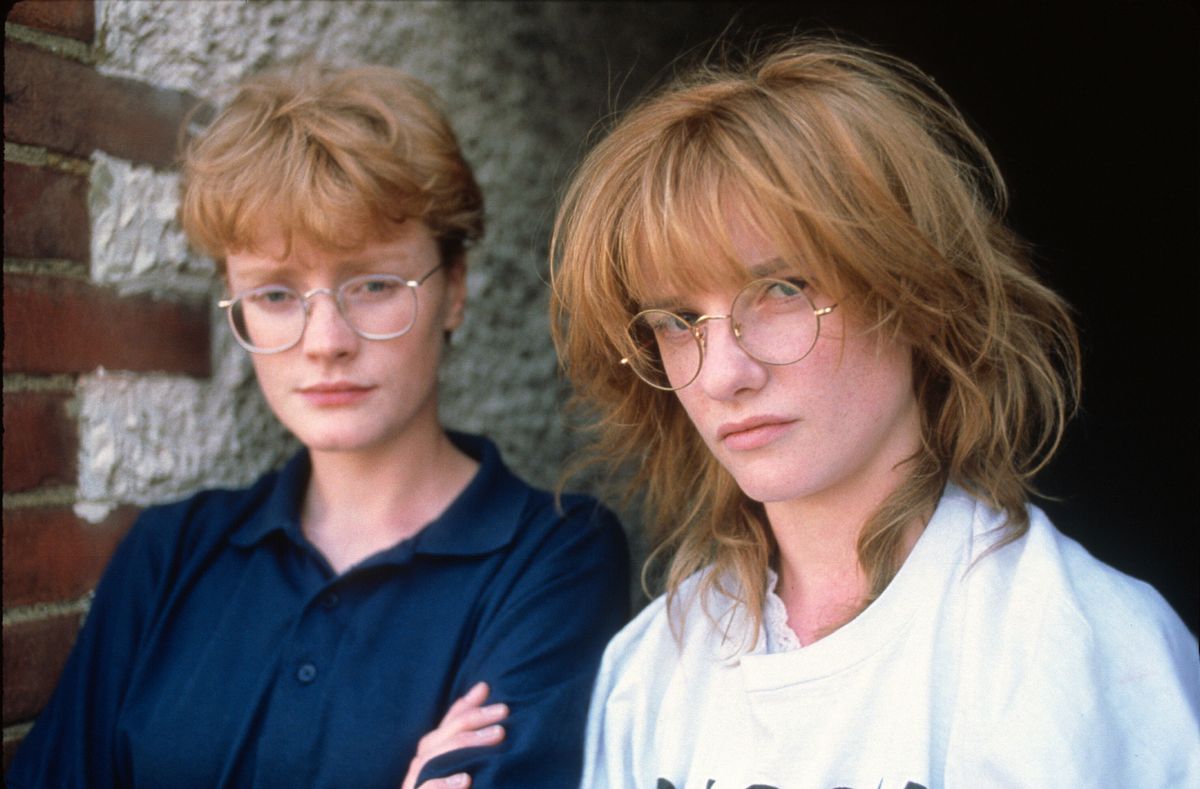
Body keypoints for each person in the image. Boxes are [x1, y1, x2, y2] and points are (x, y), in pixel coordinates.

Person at [549, 37, 1199, 787]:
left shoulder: (1085, 652)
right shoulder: (649, 675)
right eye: (677, 319)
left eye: (782, 290)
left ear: (915, 292)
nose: (724, 372)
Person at [8, 61, 628, 788]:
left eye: (373, 284)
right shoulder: (169, 554)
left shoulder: (555, 558)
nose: (325, 341)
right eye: (275, 294)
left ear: (454, 290)